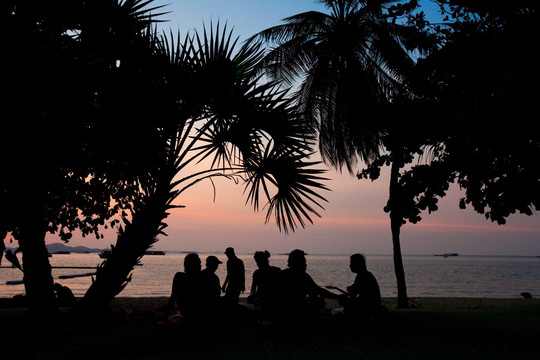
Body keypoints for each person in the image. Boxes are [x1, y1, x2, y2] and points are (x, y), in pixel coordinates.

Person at [277, 249, 340, 321]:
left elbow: (316, 290)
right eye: (303, 262)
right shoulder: (300, 276)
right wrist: (338, 297)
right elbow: (318, 290)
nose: (305, 265)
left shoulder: (284, 274)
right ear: (296, 263)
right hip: (294, 313)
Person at [342, 253, 385, 319]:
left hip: (368, 307)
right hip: (371, 305)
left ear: (357, 264)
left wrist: (350, 289)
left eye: (351, 263)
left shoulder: (362, 276)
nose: (349, 265)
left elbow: (354, 292)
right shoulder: (366, 274)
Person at [167, 253, 204, 321]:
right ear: (193, 265)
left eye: (200, 263)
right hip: (193, 310)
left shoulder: (179, 276)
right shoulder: (200, 278)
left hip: (189, 310)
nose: (200, 265)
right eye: (199, 263)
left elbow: (173, 296)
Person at [249, 250, 280, 321]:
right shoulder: (276, 270)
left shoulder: (257, 273)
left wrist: (254, 296)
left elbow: (253, 289)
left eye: (258, 261)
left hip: (266, 298)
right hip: (268, 298)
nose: (257, 264)